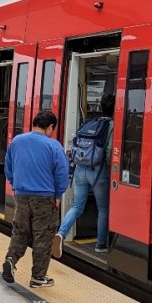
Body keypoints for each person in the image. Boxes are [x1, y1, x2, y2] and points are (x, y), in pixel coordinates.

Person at [1, 110, 68, 288]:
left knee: (20, 232)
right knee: (43, 236)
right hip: (45, 198)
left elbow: (8, 167)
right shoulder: (54, 146)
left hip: (21, 195)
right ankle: (38, 276)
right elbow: (62, 173)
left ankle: (10, 260)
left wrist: (16, 184)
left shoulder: (17, 141)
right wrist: (58, 194)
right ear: (50, 127)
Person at [53, 95, 115, 257]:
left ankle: (61, 233)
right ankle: (101, 244)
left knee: (77, 206)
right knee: (103, 208)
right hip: (99, 171)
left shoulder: (89, 123)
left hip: (80, 168)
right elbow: (108, 151)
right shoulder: (111, 126)